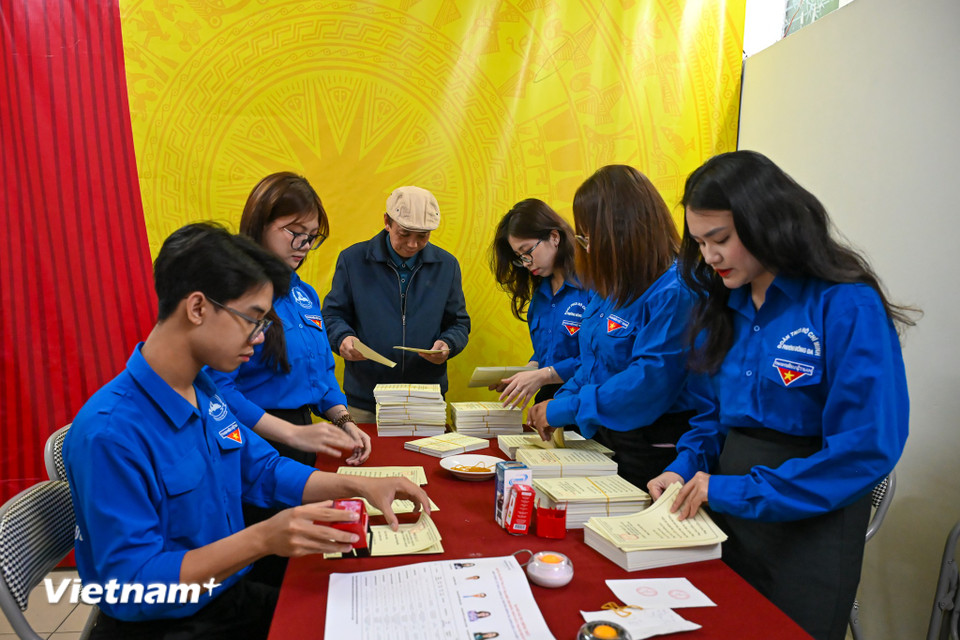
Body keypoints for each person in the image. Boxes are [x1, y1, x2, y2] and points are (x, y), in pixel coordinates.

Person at [63, 223, 429, 640]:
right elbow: (129, 585)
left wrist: (359, 485)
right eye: (253, 320)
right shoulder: (111, 434)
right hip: (169, 625)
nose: (260, 339)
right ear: (197, 308)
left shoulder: (203, 390)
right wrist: (264, 538)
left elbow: (263, 471)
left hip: (228, 596)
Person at [647, 151, 912, 640]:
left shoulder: (845, 304)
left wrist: (736, 490)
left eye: (721, 239)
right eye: (701, 242)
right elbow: (713, 418)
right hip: (728, 517)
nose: (710, 257)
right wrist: (681, 469)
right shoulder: (723, 304)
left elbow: (866, 448)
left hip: (810, 526)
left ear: (768, 222)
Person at [207, 172, 370, 587]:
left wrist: (343, 420)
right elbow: (218, 390)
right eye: (294, 233)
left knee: (309, 563)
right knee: (273, 573)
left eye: (312, 237)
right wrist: (287, 434)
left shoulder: (304, 294)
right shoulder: (236, 292)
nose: (303, 247)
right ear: (260, 225)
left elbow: (320, 374)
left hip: (301, 435)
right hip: (253, 438)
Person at [526, 165, 698, 489]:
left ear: (623, 231)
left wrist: (568, 408)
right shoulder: (614, 286)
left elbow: (647, 383)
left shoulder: (675, 291)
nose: (586, 248)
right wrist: (559, 400)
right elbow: (593, 363)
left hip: (651, 450)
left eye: (589, 237)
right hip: (605, 436)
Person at [322, 185, 471, 421]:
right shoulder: (352, 261)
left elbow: (459, 322)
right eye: (404, 233)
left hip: (426, 399)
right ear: (387, 222)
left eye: (422, 236)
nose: (412, 244)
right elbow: (332, 316)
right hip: (365, 400)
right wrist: (342, 338)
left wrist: (448, 343)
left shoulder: (447, 265)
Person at [488, 198, 590, 411]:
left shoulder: (593, 286)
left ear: (554, 237)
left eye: (528, 251)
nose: (526, 263)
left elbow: (600, 359)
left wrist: (543, 375)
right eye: (519, 257)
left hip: (583, 401)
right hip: (546, 402)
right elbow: (547, 352)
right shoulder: (541, 293)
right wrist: (523, 374)